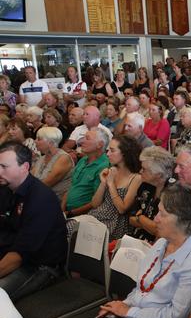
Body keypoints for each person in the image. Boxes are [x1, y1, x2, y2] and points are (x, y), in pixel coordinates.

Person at [98, 184, 191, 318]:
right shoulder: (162, 243)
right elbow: (141, 289)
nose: (155, 219)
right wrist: (122, 305)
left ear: (183, 219)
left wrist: (129, 312)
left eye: (162, 214)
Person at [0, 142, 67, 301]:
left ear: (24, 167)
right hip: (11, 254)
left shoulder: (40, 199)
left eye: (4, 166)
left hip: (38, 266)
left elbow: (20, 255)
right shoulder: (6, 188)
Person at [88, 135, 143, 241]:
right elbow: (94, 204)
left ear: (124, 153)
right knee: (70, 227)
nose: (107, 154)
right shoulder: (112, 170)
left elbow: (122, 209)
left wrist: (111, 184)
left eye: (112, 151)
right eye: (108, 150)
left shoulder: (136, 178)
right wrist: (103, 183)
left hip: (115, 223)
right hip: (98, 216)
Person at [62, 128, 111, 216]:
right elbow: (72, 186)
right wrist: (62, 210)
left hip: (84, 216)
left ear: (100, 145)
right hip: (66, 211)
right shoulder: (83, 159)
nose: (81, 142)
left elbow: (96, 201)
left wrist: (70, 213)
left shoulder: (104, 167)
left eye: (87, 138)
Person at [31, 127, 73, 201]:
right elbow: (30, 178)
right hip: (40, 196)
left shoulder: (63, 158)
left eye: (39, 139)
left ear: (50, 143)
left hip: (56, 200)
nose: (35, 141)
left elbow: (48, 183)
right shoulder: (41, 158)